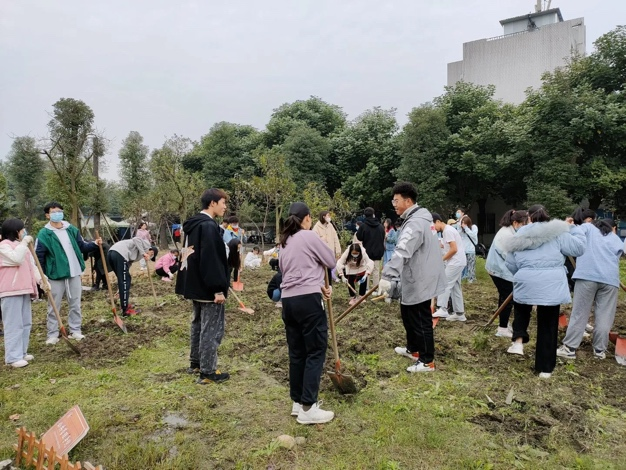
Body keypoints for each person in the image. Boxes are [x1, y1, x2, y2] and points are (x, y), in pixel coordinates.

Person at [503, 204, 585, 378]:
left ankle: (518, 340)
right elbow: (579, 248)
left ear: (529, 217)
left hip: (526, 281)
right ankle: (545, 368)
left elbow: (510, 263)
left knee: (521, 307)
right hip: (551, 284)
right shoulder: (558, 233)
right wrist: (573, 228)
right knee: (548, 324)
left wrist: (523, 274)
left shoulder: (519, 235)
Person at [378, 183, 446, 372]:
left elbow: (402, 250)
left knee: (420, 317)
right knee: (408, 312)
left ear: (408, 201)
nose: (394, 204)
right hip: (415, 274)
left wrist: (387, 274)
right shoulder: (418, 219)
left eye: (396, 201)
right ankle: (414, 349)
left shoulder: (416, 222)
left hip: (421, 276)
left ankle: (427, 361)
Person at [279, 202, 336, 424]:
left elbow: (290, 272)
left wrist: (318, 284)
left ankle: (297, 401)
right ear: (307, 218)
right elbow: (330, 260)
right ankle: (308, 407)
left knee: (297, 352)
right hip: (308, 302)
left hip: (288, 301)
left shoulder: (284, 242)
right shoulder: (309, 236)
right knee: (315, 350)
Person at [176, 189, 231, 384]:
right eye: (223, 203)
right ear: (212, 203)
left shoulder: (193, 225)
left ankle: (196, 363)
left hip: (195, 284)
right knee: (211, 329)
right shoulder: (207, 226)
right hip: (208, 287)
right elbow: (211, 259)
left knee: (198, 325)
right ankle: (208, 371)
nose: (225, 207)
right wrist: (218, 288)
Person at [557, 217, 624, 360]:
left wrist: (568, 224)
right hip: (610, 280)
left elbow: (573, 232)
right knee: (605, 315)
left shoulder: (588, 228)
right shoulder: (614, 237)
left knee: (580, 312)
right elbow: (620, 254)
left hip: (587, 276)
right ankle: (599, 351)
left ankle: (569, 348)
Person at [35, 202, 101, 345]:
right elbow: (39, 256)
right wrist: (43, 276)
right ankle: (52, 334)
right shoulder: (44, 234)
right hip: (55, 274)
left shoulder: (71, 229)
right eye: (53, 212)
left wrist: (94, 244)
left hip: (74, 271)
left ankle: (75, 330)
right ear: (47, 215)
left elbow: (82, 246)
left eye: (59, 211)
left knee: (75, 303)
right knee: (54, 305)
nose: (57, 214)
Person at [0, 219, 42, 368]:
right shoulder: (3, 247)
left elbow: (32, 266)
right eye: (22, 230)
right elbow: (16, 259)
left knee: (25, 322)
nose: (24, 232)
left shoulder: (23, 248)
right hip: (10, 291)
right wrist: (24, 243)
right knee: (13, 324)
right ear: (15, 231)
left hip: (25, 288)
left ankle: (22, 352)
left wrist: (42, 280)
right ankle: (12, 357)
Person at [484, 210, 528, 338]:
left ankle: (504, 323)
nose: (525, 227)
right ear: (515, 223)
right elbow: (509, 256)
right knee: (507, 298)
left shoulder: (510, 231)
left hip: (501, 269)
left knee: (505, 297)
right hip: (499, 270)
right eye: (524, 224)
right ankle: (502, 328)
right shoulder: (506, 235)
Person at [107, 238, 158, 316]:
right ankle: (125, 310)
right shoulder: (147, 245)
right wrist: (144, 253)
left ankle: (122, 299)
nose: (149, 257)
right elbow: (136, 239)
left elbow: (128, 263)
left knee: (124, 280)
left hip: (113, 253)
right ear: (152, 251)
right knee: (125, 281)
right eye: (151, 255)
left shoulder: (138, 253)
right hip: (119, 253)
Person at [432, 213, 467, 321]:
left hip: (455, 262)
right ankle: (459, 313)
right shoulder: (446, 231)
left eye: (433, 226)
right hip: (457, 261)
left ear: (438, 221)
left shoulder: (448, 231)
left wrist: (441, 259)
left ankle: (442, 308)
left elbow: (454, 249)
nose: (433, 229)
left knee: (444, 283)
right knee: (455, 287)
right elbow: (448, 246)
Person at [356, 207, 385, 293]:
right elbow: (383, 236)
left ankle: (366, 288)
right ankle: (375, 289)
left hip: (367, 251)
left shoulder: (363, 226)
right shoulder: (380, 226)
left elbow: (359, 237)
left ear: (365, 215)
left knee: (366, 270)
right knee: (376, 270)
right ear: (373, 214)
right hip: (378, 251)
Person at [459, 215, 479, 282]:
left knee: (471, 265)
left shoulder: (474, 227)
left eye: (464, 223)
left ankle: (471, 278)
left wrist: (466, 228)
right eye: (462, 223)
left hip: (471, 250)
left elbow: (473, 235)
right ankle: (463, 276)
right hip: (463, 250)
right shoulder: (461, 230)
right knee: (463, 265)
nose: (463, 225)